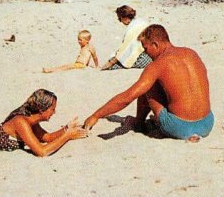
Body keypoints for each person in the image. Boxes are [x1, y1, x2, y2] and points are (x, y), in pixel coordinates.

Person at [84, 24, 213, 142]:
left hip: (179, 127)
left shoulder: (157, 65)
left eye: (145, 48)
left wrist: (96, 115)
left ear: (155, 45)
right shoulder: (191, 53)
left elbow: (128, 97)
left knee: (147, 86)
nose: (145, 53)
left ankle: (139, 124)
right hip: (207, 123)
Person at [100, 5, 152, 70]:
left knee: (116, 64)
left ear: (123, 17)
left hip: (143, 59)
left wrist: (111, 62)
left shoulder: (132, 28)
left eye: (120, 18)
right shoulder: (141, 22)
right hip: (151, 56)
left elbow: (126, 48)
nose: (120, 21)